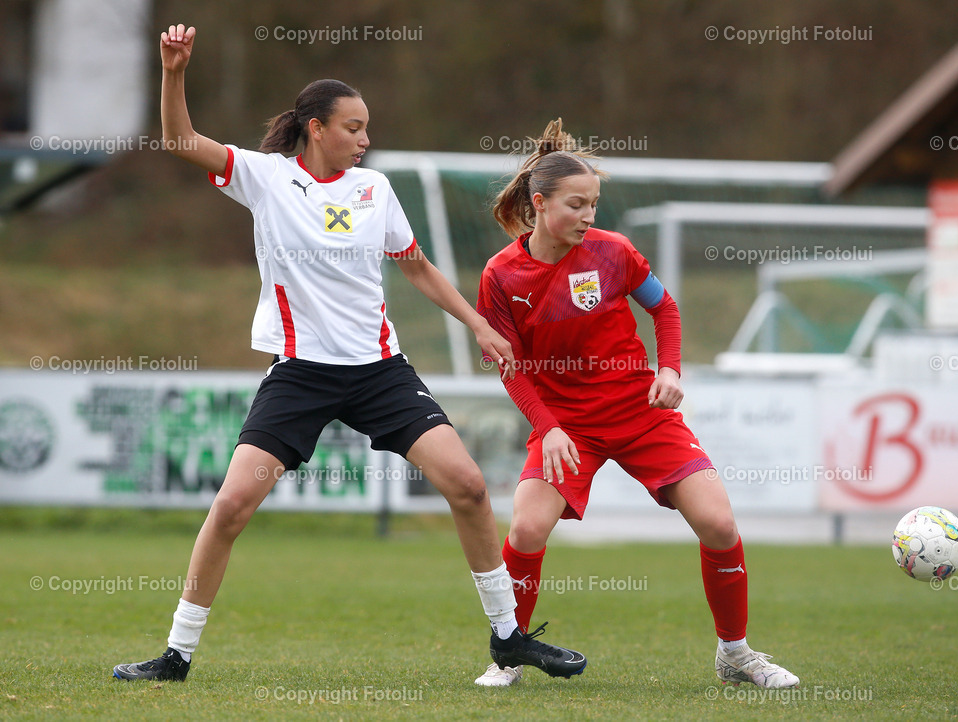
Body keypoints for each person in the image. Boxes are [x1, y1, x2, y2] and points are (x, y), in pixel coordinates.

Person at [112, 25, 586, 683]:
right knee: (231, 508)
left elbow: (416, 268)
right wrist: (173, 72)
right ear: (316, 128)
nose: (365, 139)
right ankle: (176, 655)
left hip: (379, 373)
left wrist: (478, 324)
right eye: (353, 127)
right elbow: (178, 141)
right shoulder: (265, 176)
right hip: (301, 374)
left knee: (471, 487)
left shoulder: (375, 190)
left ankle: (508, 637)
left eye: (367, 128)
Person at [472, 119, 800, 689]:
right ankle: (509, 658)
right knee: (525, 530)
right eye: (577, 205)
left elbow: (665, 308)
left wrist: (670, 368)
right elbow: (510, 367)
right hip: (566, 426)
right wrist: (547, 426)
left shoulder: (613, 252)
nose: (588, 216)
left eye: (594, 204)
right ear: (540, 203)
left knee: (719, 523)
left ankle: (736, 654)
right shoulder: (501, 276)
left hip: (639, 412)